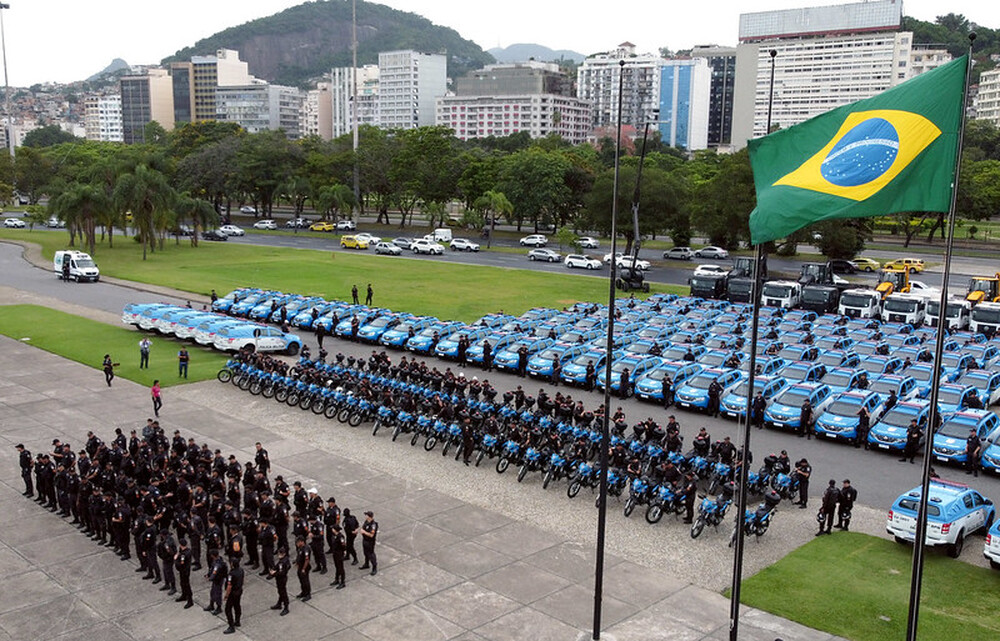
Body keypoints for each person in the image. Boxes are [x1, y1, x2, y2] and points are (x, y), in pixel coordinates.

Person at [222, 559, 244, 634]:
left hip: (233, 593)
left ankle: (231, 626)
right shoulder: (241, 570)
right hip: (239, 591)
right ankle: (237, 621)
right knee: (237, 605)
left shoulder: (231, 574)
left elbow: (229, 586)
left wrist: (226, 595)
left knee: (228, 609)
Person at [269, 547, 291, 615]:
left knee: (283, 592)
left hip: (281, 579)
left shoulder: (282, 562)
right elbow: (288, 566)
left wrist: (274, 573)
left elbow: (282, 572)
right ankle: (279, 603)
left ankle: (286, 607)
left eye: (280, 553)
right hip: (283, 578)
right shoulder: (286, 559)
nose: (278, 555)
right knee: (281, 591)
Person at [205, 550, 227, 615]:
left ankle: (219, 607)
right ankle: (211, 605)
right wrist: (208, 574)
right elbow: (212, 569)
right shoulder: (217, 561)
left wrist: (210, 578)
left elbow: (214, 572)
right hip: (216, 580)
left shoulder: (218, 564)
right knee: (212, 592)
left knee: (217, 594)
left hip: (218, 580)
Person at [175, 538, 194, 608]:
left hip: (184, 571)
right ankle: (184, 595)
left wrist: (176, 559)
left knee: (186, 585)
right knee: (182, 583)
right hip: (185, 570)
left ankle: (190, 601)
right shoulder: (188, 551)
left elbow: (180, 564)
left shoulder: (183, 555)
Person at [359, 510, 378, 576]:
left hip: (370, 542)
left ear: (370, 517)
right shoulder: (366, 522)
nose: (365, 516)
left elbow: (371, 535)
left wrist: (364, 532)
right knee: (365, 553)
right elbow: (363, 527)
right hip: (365, 540)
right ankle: (366, 564)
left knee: (371, 554)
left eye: (366, 515)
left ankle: (374, 567)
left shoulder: (373, 525)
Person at [294, 536, 311, 601]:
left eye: (298, 542)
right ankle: (303, 592)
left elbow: (307, 560)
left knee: (305, 581)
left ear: (302, 542)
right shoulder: (300, 548)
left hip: (305, 567)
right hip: (300, 567)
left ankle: (308, 594)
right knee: (301, 581)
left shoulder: (306, 549)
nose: (297, 544)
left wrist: (304, 569)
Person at [330, 524, 347, 589]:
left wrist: (344, 552)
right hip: (335, 553)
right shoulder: (334, 535)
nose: (332, 529)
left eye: (333, 528)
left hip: (339, 553)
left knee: (340, 568)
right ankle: (337, 579)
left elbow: (343, 545)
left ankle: (342, 582)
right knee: (337, 567)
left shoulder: (340, 537)